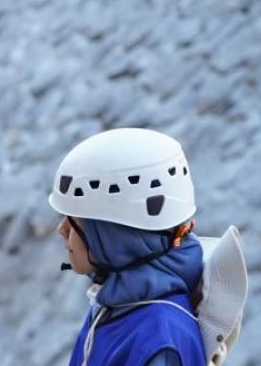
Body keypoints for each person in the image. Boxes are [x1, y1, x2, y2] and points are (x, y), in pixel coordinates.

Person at [48, 127, 207, 366]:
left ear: (114, 234)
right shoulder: (116, 304)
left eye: (75, 220)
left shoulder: (161, 341)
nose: (62, 229)